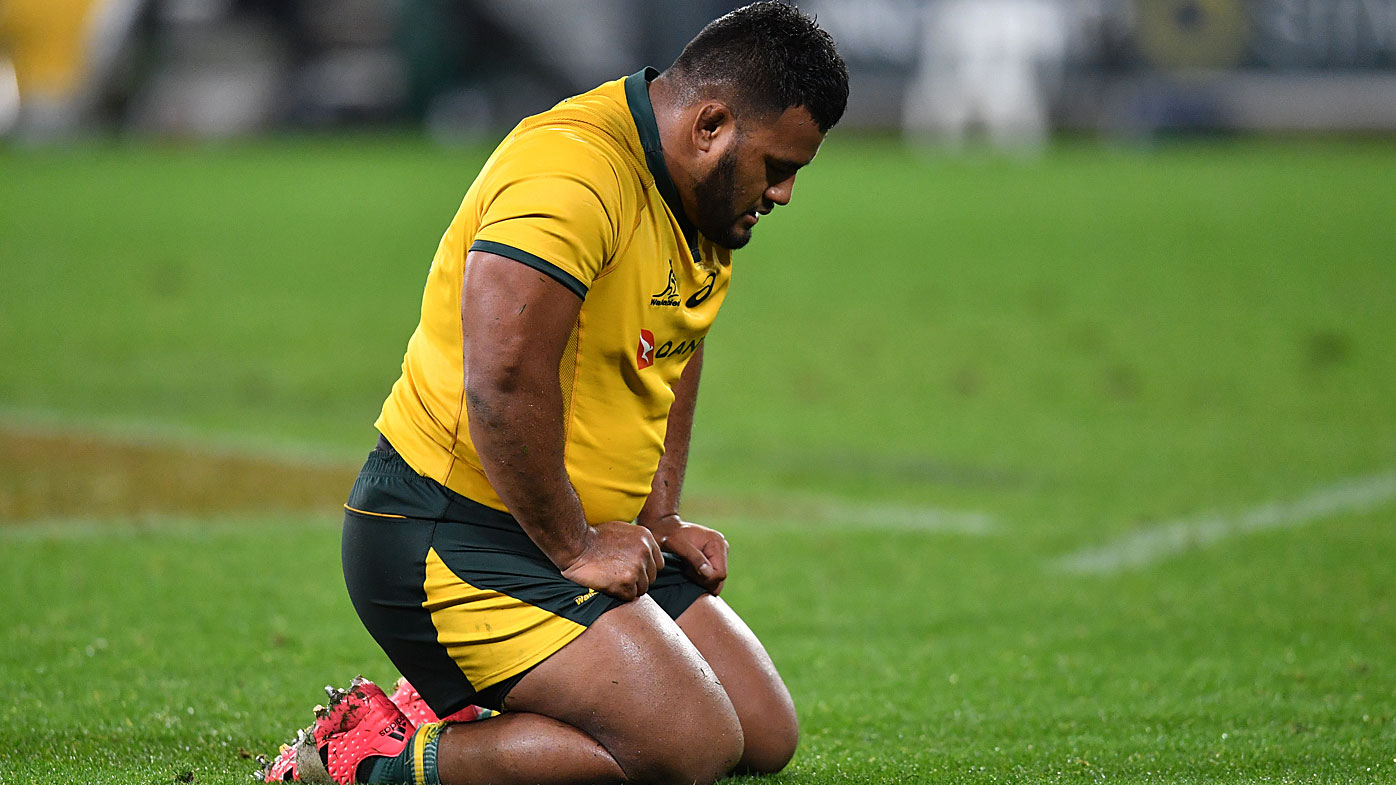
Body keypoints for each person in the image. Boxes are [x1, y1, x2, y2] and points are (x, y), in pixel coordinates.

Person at [259, 3, 847, 784]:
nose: (784, 194)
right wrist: (575, 547)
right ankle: (363, 758)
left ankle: (458, 700)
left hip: (569, 524)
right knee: (691, 747)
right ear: (710, 125)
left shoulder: (701, 192)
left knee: (764, 734)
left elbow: (674, 336)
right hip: (450, 531)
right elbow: (501, 377)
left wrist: (656, 514)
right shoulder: (572, 170)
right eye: (777, 167)